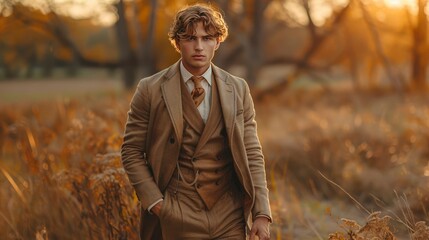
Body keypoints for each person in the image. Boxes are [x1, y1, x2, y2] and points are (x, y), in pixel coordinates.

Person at [121, 3, 272, 240]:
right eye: (191, 38)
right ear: (178, 42)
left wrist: (261, 213)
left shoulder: (238, 88)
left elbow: (252, 152)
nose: (199, 46)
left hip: (228, 213)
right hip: (177, 212)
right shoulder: (149, 89)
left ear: (218, 41)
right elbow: (131, 150)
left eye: (207, 38)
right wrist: (156, 203)